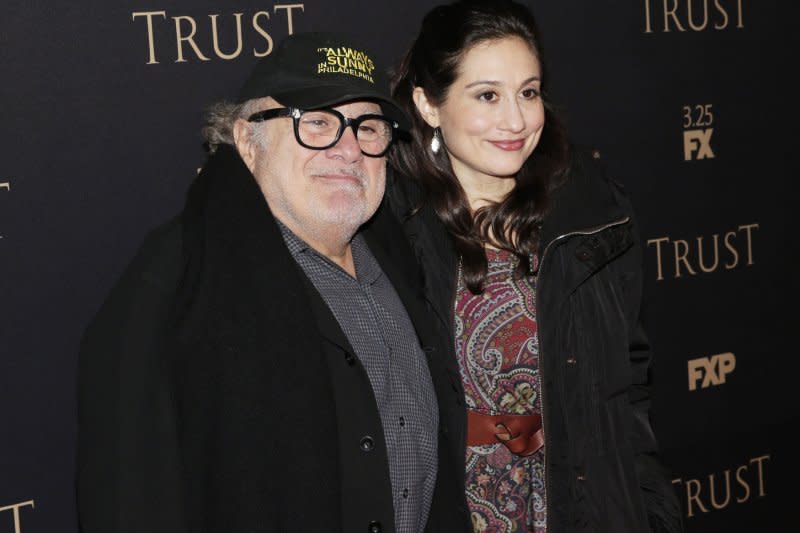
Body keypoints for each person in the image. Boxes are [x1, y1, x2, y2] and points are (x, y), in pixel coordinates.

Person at [76, 31, 471, 533]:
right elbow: (127, 499)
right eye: (318, 123)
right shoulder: (174, 284)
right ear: (247, 141)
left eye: (368, 127)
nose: (348, 149)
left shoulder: (403, 255)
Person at [388, 1, 684, 531]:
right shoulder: (388, 228)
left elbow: (627, 389)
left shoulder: (594, 213)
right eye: (487, 96)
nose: (517, 120)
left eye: (528, 92)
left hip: (583, 505)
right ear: (429, 105)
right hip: (456, 508)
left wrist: (651, 507)